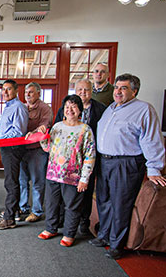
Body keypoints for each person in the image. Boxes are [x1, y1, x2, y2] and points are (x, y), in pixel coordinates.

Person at [89, 73, 166, 259]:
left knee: (120, 204)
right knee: (104, 200)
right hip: (105, 161)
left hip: (126, 163)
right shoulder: (111, 108)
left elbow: (152, 140)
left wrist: (154, 168)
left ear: (134, 91)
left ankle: (117, 244)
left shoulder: (144, 110)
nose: (118, 91)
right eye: (116, 87)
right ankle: (104, 236)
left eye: (123, 88)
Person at [37, 95, 96, 247]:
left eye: (74, 107)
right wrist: (42, 136)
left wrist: (84, 179)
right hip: (53, 173)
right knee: (51, 203)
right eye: (67, 107)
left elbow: (90, 155)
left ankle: (69, 233)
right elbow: (47, 148)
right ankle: (51, 228)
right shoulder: (56, 127)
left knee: (72, 205)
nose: (70, 110)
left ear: (80, 110)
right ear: (63, 110)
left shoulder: (85, 130)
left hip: (73, 176)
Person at [54, 79, 106, 234]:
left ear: (92, 91)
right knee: (65, 192)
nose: (83, 92)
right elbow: (56, 132)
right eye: (80, 89)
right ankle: (63, 220)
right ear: (75, 91)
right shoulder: (65, 109)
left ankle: (84, 223)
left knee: (86, 190)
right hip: (66, 161)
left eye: (87, 90)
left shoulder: (101, 109)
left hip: (88, 157)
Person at [0, 80, 29, 230]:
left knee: (11, 183)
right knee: (11, 181)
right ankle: (13, 212)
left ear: (16, 91)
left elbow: (18, 132)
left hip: (13, 148)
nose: (5, 92)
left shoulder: (19, 107)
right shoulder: (8, 107)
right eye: (3, 90)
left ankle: (9, 218)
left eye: (8, 89)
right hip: (6, 147)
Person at [18, 82, 52, 223]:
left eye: (31, 92)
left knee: (37, 182)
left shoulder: (45, 108)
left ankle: (37, 211)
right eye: (26, 92)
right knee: (22, 181)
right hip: (22, 149)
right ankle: (23, 207)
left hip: (37, 150)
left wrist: (32, 133)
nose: (28, 94)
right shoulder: (23, 107)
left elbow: (44, 126)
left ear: (39, 93)